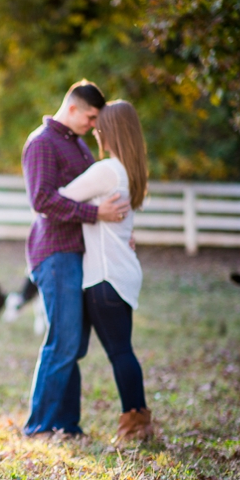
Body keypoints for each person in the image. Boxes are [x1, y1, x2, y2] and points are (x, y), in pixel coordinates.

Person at [21, 80, 130, 437]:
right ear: (73, 108)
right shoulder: (42, 143)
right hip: (54, 252)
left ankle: (67, 424)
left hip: (78, 255)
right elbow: (42, 200)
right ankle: (39, 426)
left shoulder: (79, 146)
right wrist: (97, 214)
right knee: (63, 340)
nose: (95, 125)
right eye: (91, 117)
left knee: (75, 344)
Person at [58, 100, 152, 443]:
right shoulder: (129, 170)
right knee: (122, 350)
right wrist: (98, 210)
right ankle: (138, 423)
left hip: (105, 276)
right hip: (121, 272)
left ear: (111, 132)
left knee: (118, 353)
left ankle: (136, 427)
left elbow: (60, 198)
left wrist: (92, 210)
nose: (95, 132)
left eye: (100, 127)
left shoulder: (107, 170)